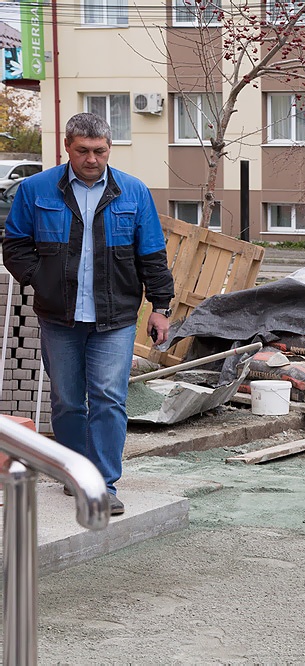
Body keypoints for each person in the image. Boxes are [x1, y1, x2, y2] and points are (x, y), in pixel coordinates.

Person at [2, 113, 175, 515]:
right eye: (83, 151)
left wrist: (161, 308)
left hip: (114, 319)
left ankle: (102, 484)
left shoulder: (133, 193)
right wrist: (39, 279)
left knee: (109, 399)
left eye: (100, 151)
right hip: (58, 317)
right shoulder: (36, 189)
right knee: (66, 402)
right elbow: (14, 245)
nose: (92, 159)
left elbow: (152, 255)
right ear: (67, 147)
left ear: (109, 149)